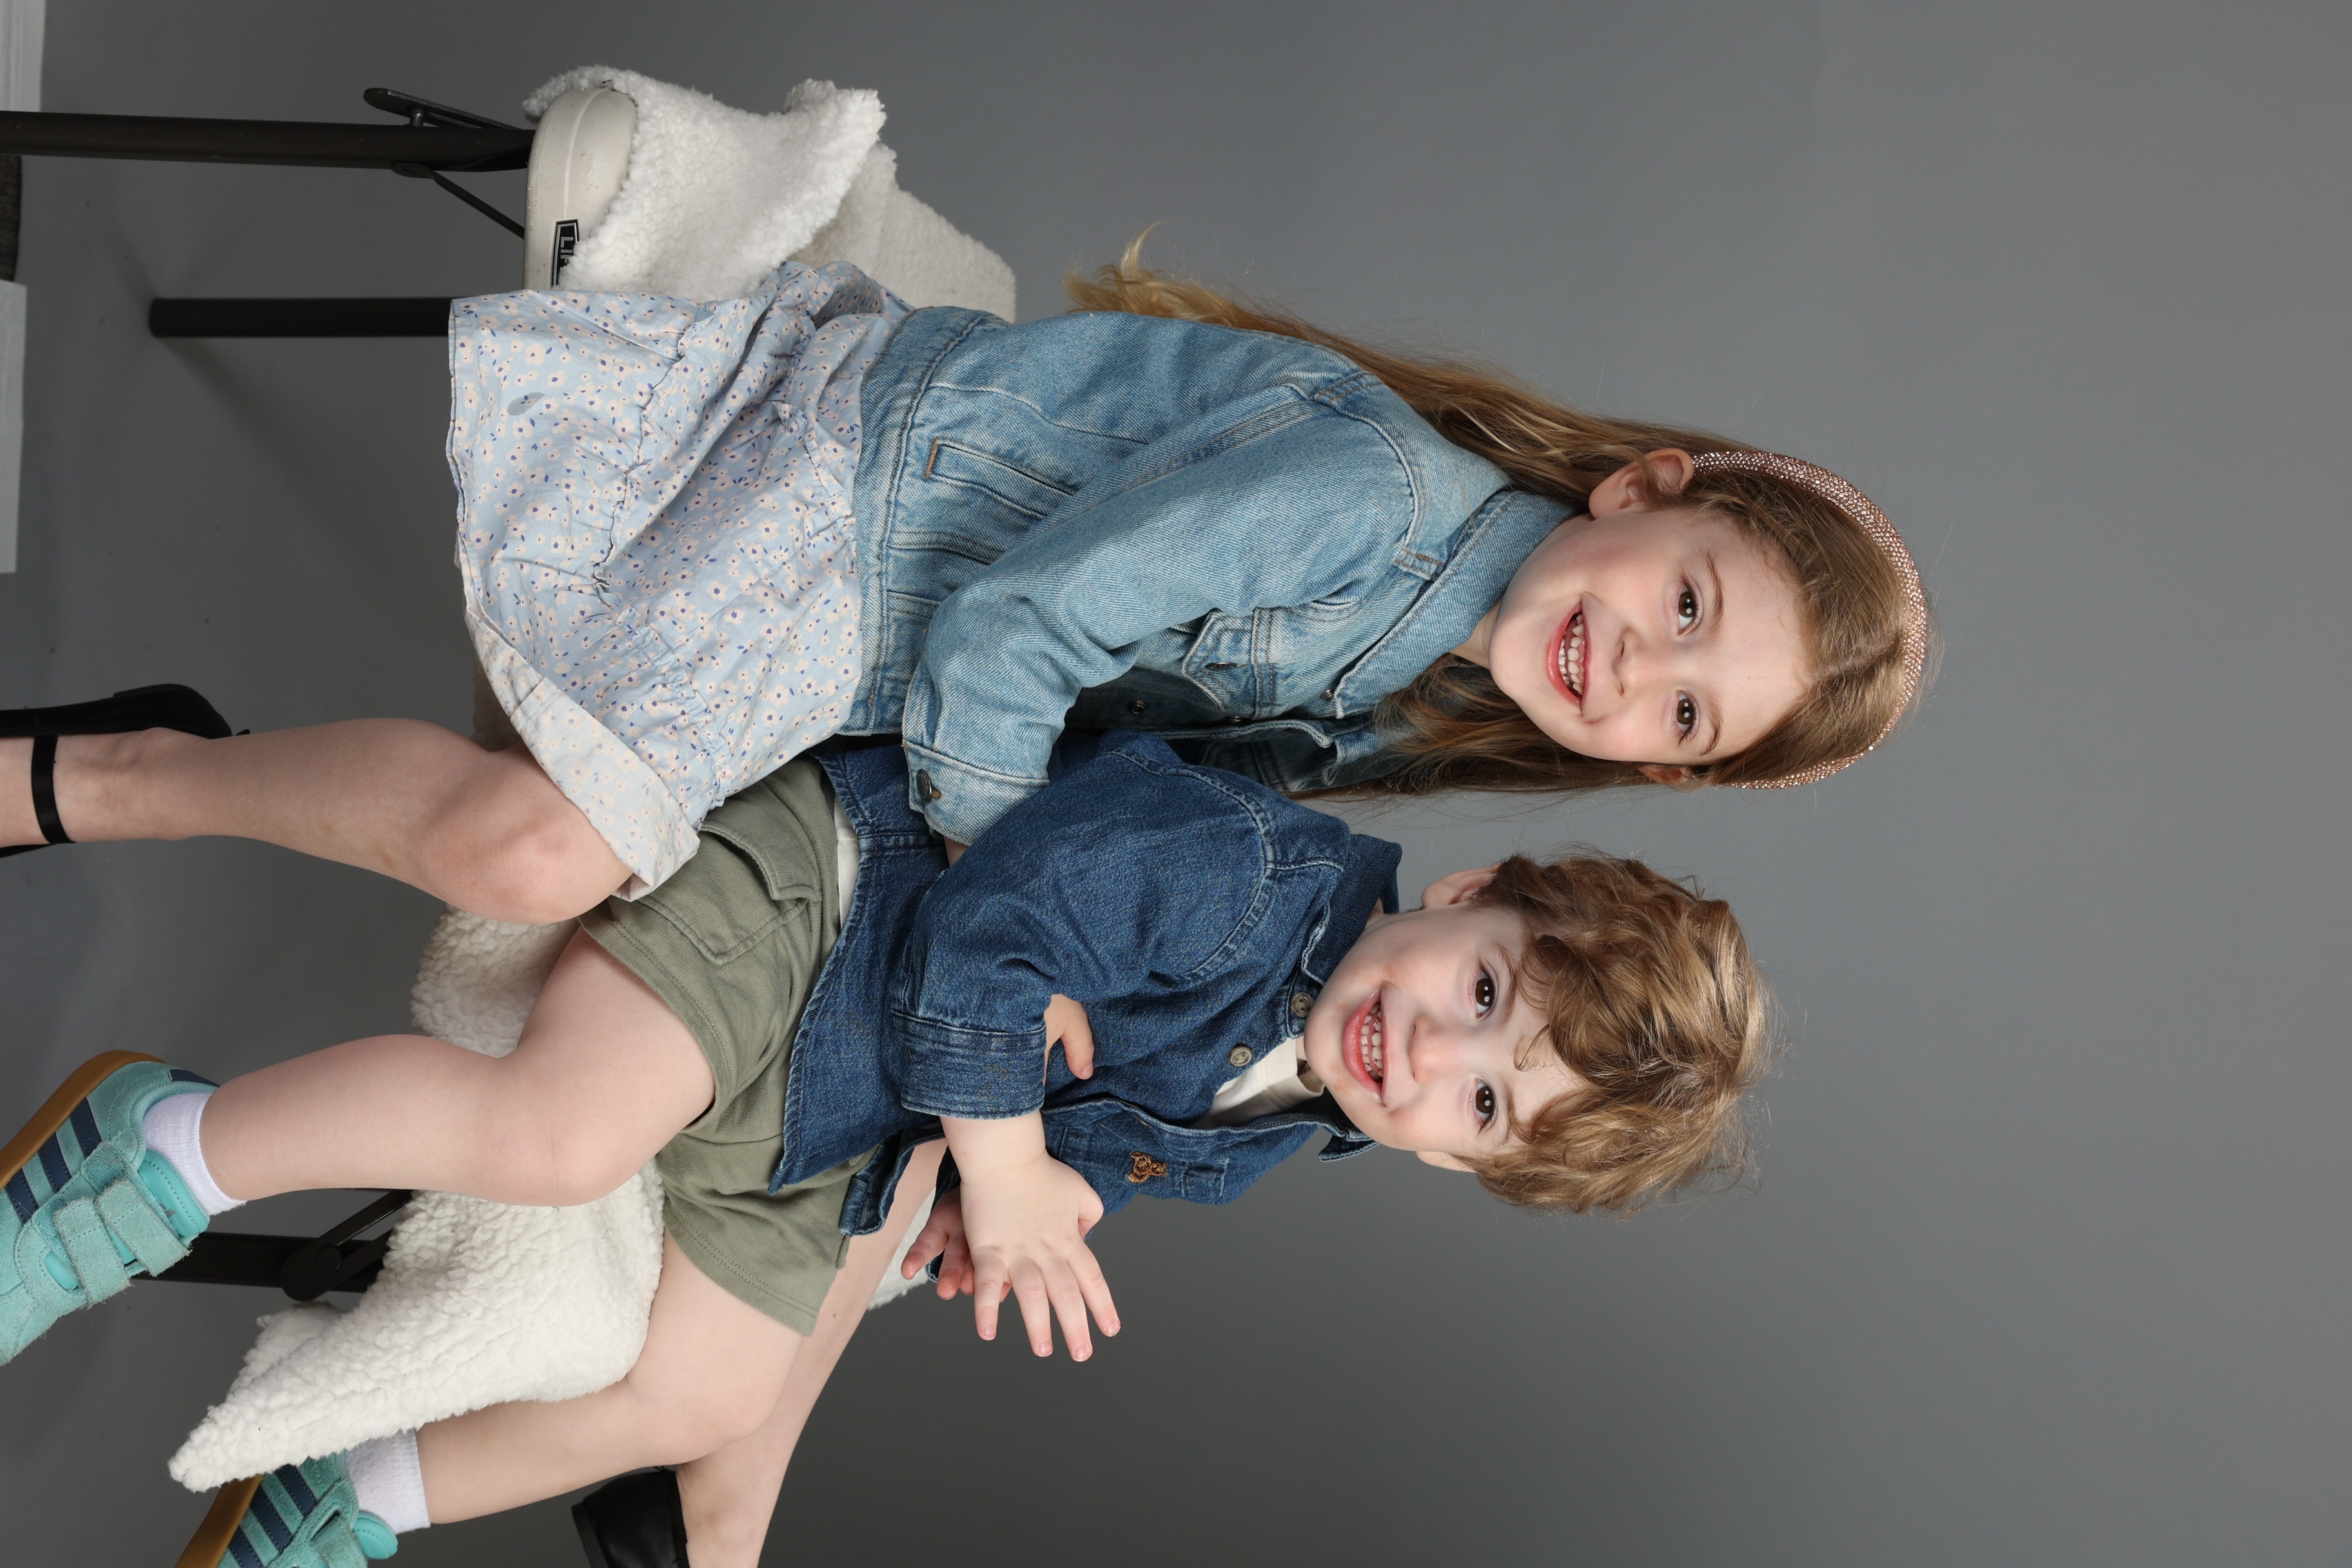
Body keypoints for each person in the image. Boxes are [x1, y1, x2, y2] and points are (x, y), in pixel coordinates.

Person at [0, 730, 1773, 1567]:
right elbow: (990, 931)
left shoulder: (1286, 1125)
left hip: (841, 1117)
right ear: (1471, 891)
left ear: (1462, 1169)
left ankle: (345, 1498)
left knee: (700, 1393)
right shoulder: (1248, 876)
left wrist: (997, 1212)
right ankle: (162, 1152)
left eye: (1484, 1104)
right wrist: (1002, 1164)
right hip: (822, 916)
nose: (1433, 1056)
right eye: (1483, 991)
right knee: (557, 1131)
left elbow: (1074, 1150)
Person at [0, 243, 1930, 910]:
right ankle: (113, 773)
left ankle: (161, 753)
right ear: (1642, 491)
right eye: (1690, 603)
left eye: (1691, 714)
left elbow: (1135, 776)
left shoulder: (1407, 700)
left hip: (889, 644)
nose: (1637, 670)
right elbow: (1019, 625)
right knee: (537, 854)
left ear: (1657, 767)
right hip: (851, 499)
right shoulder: (1368, 502)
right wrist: (1000, 875)